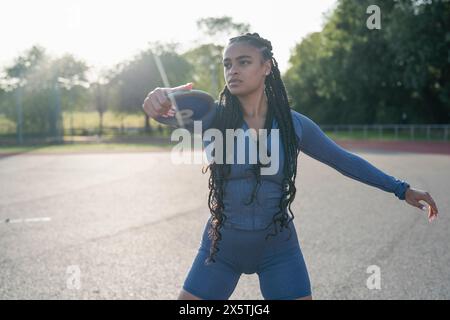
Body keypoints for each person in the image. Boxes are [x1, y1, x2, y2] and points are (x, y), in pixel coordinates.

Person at [142, 33, 439, 300]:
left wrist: (402, 189)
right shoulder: (210, 115)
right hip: (221, 248)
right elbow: (163, 114)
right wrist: (159, 97)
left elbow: (345, 161)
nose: (232, 70)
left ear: (267, 66)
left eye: (244, 62)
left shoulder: (293, 125)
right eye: (227, 64)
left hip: (278, 250)